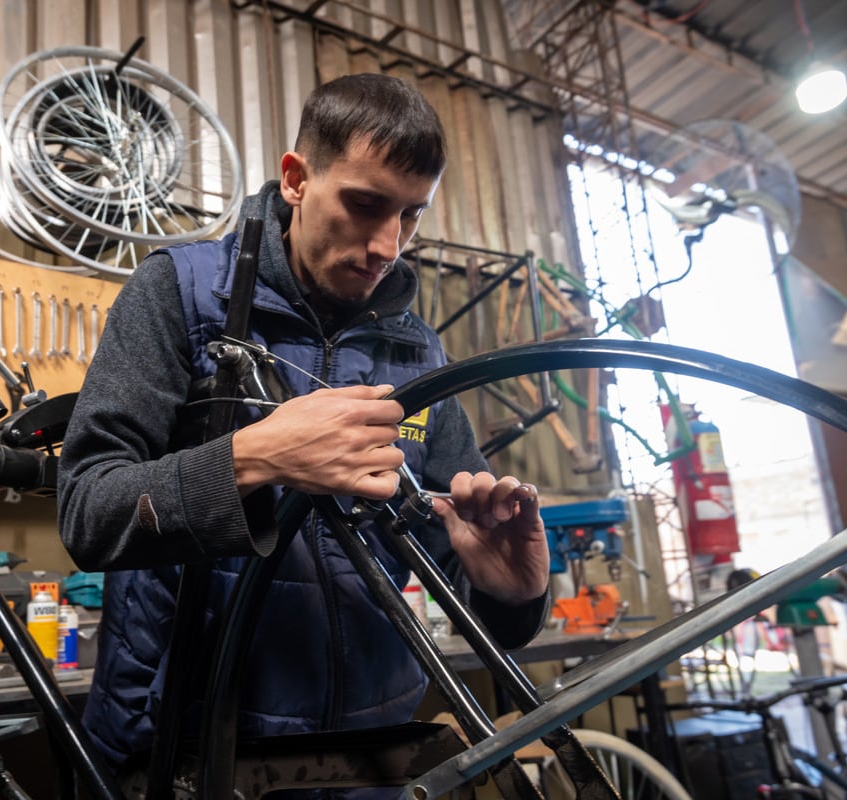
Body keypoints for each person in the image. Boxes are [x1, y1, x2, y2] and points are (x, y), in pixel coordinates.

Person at [57, 73, 551, 793]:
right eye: (364, 203)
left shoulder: (416, 353)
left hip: (367, 757)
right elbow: (88, 511)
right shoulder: (180, 294)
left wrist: (511, 595)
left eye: (411, 216)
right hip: (186, 749)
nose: (388, 244)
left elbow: (454, 555)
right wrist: (252, 458)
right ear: (296, 179)